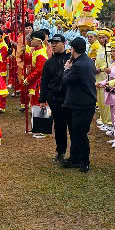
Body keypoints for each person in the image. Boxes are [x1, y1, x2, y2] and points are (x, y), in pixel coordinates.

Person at [59, 37, 98, 172]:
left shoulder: (78, 65)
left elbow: (66, 80)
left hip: (82, 104)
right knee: (75, 132)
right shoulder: (86, 61)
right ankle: (74, 158)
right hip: (83, 103)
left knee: (80, 133)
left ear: (73, 49)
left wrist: (66, 69)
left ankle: (84, 161)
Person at [40, 34, 69, 163]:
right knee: (59, 126)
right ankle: (60, 151)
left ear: (64, 43)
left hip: (69, 98)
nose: (54, 45)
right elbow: (44, 81)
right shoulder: (49, 62)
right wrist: (42, 99)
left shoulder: (71, 59)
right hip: (54, 99)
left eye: (57, 42)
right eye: (52, 43)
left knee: (73, 126)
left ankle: (74, 153)